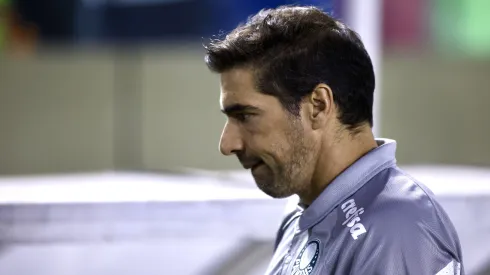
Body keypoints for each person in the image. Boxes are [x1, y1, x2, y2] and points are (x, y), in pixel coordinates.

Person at [203, 5, 464, 275]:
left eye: (245, 116)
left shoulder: (399, 232)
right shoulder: (303, 211)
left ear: (318, 105)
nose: (227, 144)